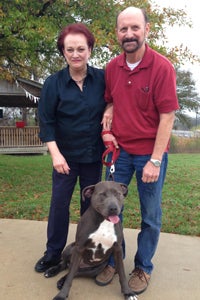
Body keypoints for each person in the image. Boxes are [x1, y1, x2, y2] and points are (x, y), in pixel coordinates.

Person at [95, 6, 179, 295]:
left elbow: (167, 117)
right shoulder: (112, 68)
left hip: (149, 154)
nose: (129, 34)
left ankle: (143, 267)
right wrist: (108, 121)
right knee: (109, 210)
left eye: (134, 28)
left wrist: (155, 160)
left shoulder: (162, 67)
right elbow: (111, 100)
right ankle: (113, 258)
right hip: (120, 154)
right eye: (123, 29)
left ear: (146, 30)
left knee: (150, 215)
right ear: (116, 33)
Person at [35, 23, 106, 273]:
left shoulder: (102, 79)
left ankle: (87, 253)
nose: (75, 54)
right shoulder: (53, 83)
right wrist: (55, 154)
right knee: (59, 205)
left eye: (81, 49)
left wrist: (110, 108)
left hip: (93, 156)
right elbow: (46, 121)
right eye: (70, 49)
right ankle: (53, 253)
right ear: (63, 52)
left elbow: (116, 99)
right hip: (64, 158)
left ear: (89, 50)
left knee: (91, 208)